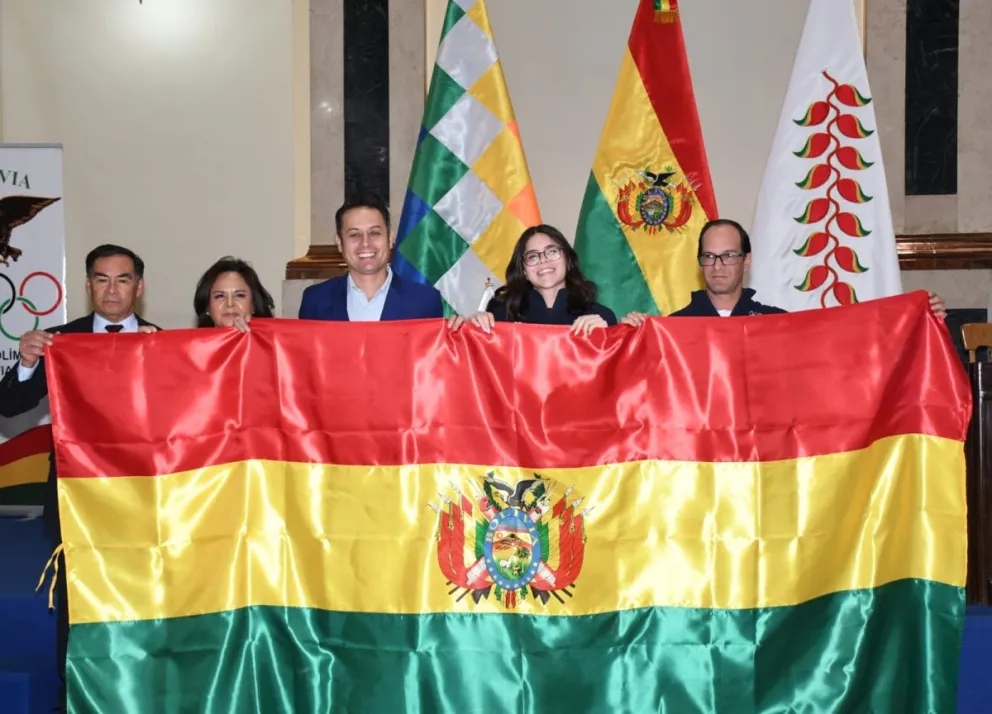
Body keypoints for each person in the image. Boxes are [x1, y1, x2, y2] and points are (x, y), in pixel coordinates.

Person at [0, 244, 158, 713]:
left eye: (123, 279)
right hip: (75, 502)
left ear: (140, 287)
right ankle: (78, 698)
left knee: (144, 604)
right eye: (102, 279)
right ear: (88, 285)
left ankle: (145, 695)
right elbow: (9, 407)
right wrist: (27, 361)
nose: (113, 289)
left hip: (143, 503)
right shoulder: (57, 340)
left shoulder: (162, 341)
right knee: (78, 608)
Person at [621, 218, 947, 322]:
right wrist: (631, 337)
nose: (718, 266)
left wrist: (917, 318)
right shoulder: (675, 328)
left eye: (729, 256)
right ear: (700, 264)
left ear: (747, 262)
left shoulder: (777, 322)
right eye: (709, 256)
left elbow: (844, 343)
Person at [298, 194, 443, 321]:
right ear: (339, 243)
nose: (365, 243)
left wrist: (460, 334)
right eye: (354, 235)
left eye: (374, 233)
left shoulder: (425, 302)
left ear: (390, 238)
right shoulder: (315, 301)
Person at [451, 224, 616, 336]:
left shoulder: (601, 317)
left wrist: (606, 336)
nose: (543, 260)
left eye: (551, 251)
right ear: (524, 270)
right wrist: (469, 332)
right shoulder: (500, 317)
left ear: (567, 259)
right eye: (532, 256)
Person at [194, 256, 275, 331]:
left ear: (254, 304)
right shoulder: (191, 345)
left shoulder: (274, 344)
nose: (230, 303)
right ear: (207, 307)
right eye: (220, 296)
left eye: (239, 295)